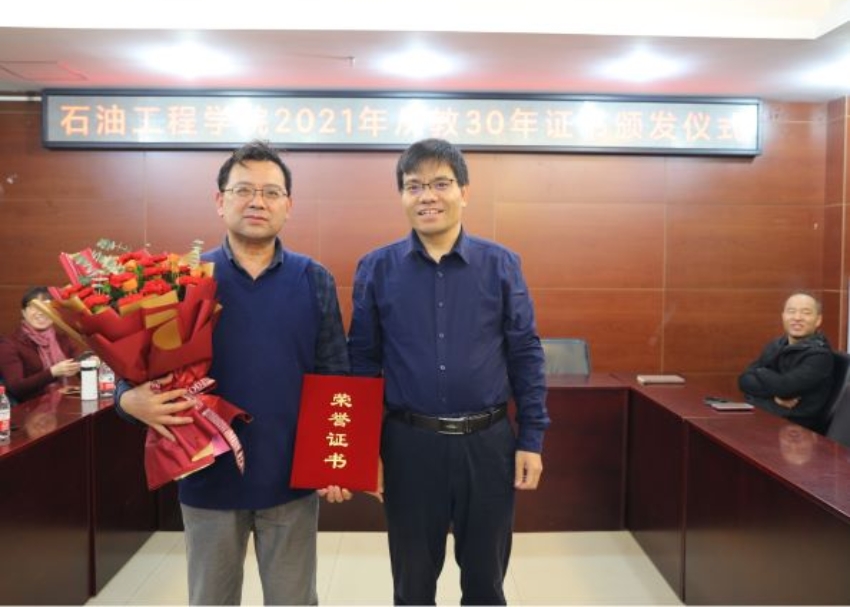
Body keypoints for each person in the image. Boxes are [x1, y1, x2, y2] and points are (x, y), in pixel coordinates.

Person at [115, 140, 350, 605]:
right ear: (220, 201)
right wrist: (126, 399)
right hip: (208, 477)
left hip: (291, 478)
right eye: (243, 190)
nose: (257, 201)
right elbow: (135, 366)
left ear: (288, 205)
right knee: (211, 599)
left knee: (294, 600)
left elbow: (334, 374)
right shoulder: (184, 280)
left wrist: (333, 458)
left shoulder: (313, 278)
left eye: (270, 192)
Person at [348, 138, 550, 605]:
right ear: (402, 195)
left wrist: (532, 439)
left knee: (485, 585)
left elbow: (525, 353)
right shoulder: (376, 269)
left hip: (488, 445)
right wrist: (363, 451)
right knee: (412, 587)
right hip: (409, 446)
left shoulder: (501, 265)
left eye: (440, 184)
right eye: (414, 186)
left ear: (464, 192)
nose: (427, 196)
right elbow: (362, 362)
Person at [738, 292, 834, 432]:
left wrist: (759, 371)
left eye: (806, 313)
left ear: (818, 320)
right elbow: (744, 381)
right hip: (768, 417)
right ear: (783, 316)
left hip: (797, 430)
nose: (797, 318)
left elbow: (785, 389)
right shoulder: (777, 344)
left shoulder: (820, 355)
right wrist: (774, 397)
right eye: (791, 311)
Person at [0, 286, 82, 403]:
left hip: (67, 402)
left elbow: (81, 372)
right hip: (31, 408)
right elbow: (16, 387)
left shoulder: (63, 339)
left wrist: (89, 364)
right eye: (34, 307)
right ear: (23, 312)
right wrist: (52, 372)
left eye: (47, 306)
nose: (41, 312)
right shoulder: (9, 344)